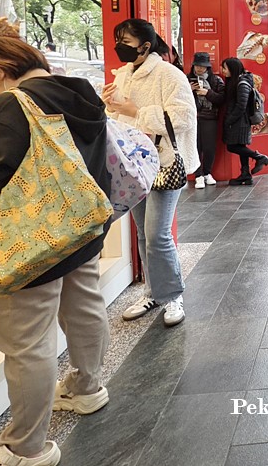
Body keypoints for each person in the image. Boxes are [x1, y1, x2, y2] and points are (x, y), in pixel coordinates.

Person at [0, 37, 111, 466]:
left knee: (28, 344)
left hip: (33, 242)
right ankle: (88, 389)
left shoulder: (12, 106)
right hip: (82, 229)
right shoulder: (82, 94)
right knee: (85, 307)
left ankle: (27, 449)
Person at [103, 19, 198, 327]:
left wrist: (134, 111)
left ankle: (173, 296)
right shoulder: (122, 76)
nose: (120, 47)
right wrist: (108, 106)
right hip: (132, 166)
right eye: (118, 40)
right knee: (144, 234)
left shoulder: (168, 75)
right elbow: (116, 119)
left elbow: (182, 117)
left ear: (145, 45)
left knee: (157, 235)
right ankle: (153, 292)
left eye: (126, 41)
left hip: (164, 162)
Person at [220, 57, 268, 185]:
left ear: (233, 69)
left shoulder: (242, 84)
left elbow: (241, 106)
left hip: (240, 122)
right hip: (239, 121)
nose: (222, 70)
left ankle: (260, 157)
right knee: (241, 146)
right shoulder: (235, 81)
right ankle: (245, 174)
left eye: (224, 68)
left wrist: (229, 120)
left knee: (232, 146)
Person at [188, 51, 226, 189]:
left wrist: (207, 93)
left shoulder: (215, 80)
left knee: (209, 147)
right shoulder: (186, 79)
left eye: (202, 66)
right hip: (193, 118)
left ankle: (207, 173)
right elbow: (178, 98)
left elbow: (222, 98)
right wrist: (189, 90)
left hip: (210, 117)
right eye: (197, 66)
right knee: (195, 147)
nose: (199, 69)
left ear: (207, 67)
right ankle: (198, 175)